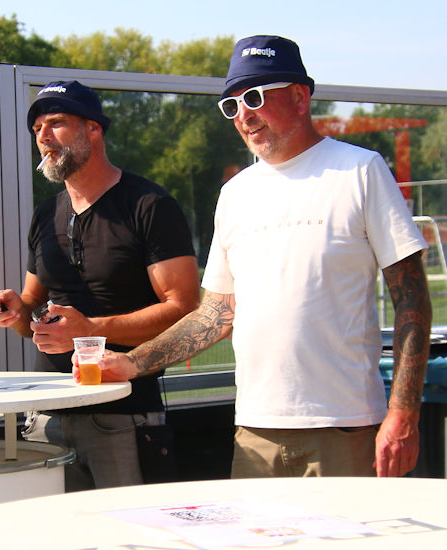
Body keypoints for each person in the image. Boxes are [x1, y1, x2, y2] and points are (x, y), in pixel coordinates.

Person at [95, 35, 432, 479]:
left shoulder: (360, 170)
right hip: (253, 432)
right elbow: (216, 314)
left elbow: (412, 301)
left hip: (345, 428)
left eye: (254, 97)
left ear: (299, 97)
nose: (243, 115)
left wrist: (403, 413)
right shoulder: (234, 194)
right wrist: (134, 362)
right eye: (231, 105)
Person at [0, 81, 200, 491]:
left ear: (93, 128)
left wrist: (91, 330)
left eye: (56, 123)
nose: (43, 136)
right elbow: (34, 312)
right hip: (47, 413)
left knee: (131, 527)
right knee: (53, 531)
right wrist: (15, 311)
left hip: (122, 414)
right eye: (37, 128)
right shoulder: (46, 214)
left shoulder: (149, 205)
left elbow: (184, 310)